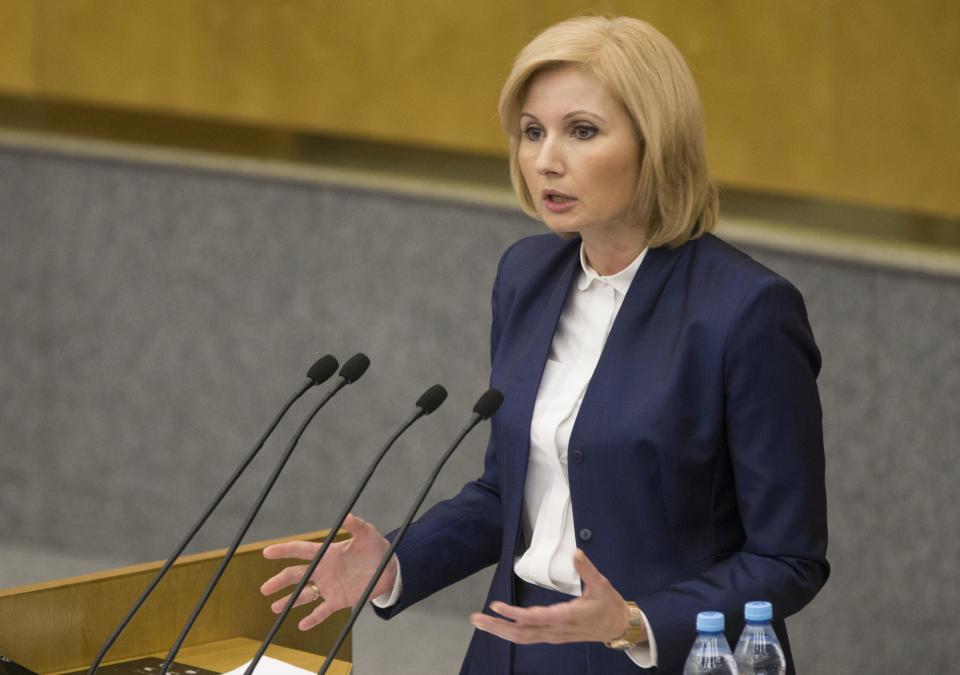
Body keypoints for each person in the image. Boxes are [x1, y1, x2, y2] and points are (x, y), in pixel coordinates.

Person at [259, 15, 829, 674]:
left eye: (581, 131)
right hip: (513, 647)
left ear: (657, 144)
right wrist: (395, 562)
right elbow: (509, 491)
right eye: (533, 132)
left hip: (662, 657)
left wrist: (635, 621)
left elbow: (788, 559)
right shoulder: (526, 275)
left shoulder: (745, 311)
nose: (545, 160)